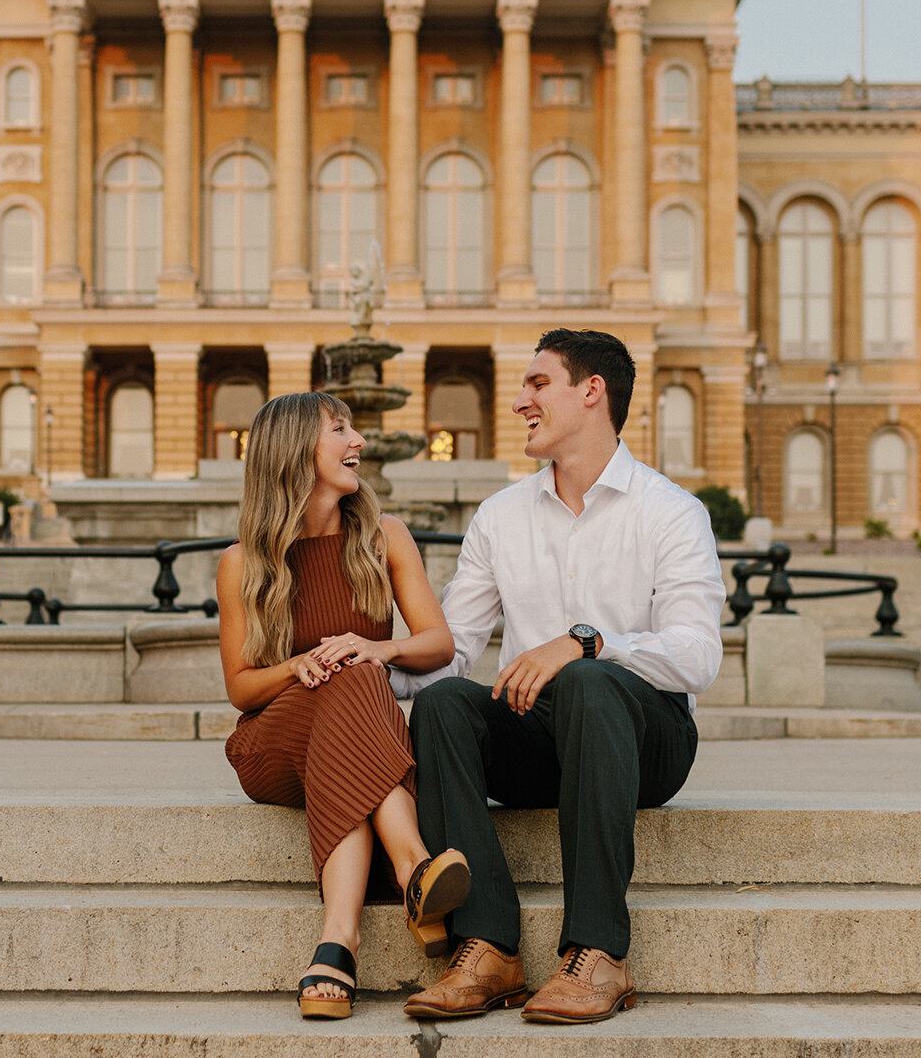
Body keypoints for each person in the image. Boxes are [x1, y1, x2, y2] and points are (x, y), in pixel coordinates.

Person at [402, 328, 723, 1025]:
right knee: (445, 707)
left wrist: (588, 643)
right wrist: (371, 664)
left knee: (586, 680)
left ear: (591, 391)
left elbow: (698, 656)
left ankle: (599, 952)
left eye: (537, 384)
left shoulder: (670, 511)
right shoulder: (501, 517)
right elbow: (454, 650)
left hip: (645, 743)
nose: (518, 401)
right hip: (539, 738)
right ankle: (488, 946)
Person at [217, 391, 473, 1019]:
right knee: (349, 678)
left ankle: (339, 942)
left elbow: (439, 643)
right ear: (296, 450)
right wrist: (297, 667)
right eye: (340, 430)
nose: (358, 440)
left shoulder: (384, 537)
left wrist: (376, 648)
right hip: (271, 744)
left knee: (360, 670)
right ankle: (413, 864)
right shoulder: (242, 562)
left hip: (346, 739)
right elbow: (241, 689)